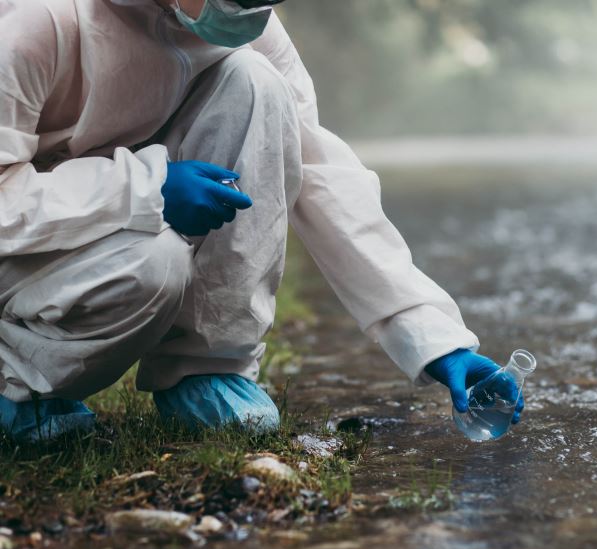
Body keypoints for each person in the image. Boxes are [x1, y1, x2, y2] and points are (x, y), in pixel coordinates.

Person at [0, 0, 524, 442]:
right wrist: (142, 187)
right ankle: (12, 385)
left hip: (93, 230)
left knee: (258, 83)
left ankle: (205, 367)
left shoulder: (253, 28)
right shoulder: (40, 23)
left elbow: (322, 174)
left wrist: (434, 338)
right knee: (150, 264)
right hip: (19, 256)